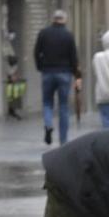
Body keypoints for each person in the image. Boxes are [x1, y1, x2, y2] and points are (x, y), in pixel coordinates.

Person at [34, 9, 81, 146]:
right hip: (64, 73)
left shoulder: (43, 33)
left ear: (53, 19)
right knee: (63, 106)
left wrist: (40, 66)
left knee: (47, 103)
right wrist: (75, 73)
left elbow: (37, 52)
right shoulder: (68, 35)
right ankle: (63, 139)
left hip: (47, 72)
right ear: (64, 20)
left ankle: (48, 125)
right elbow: (73, 56)